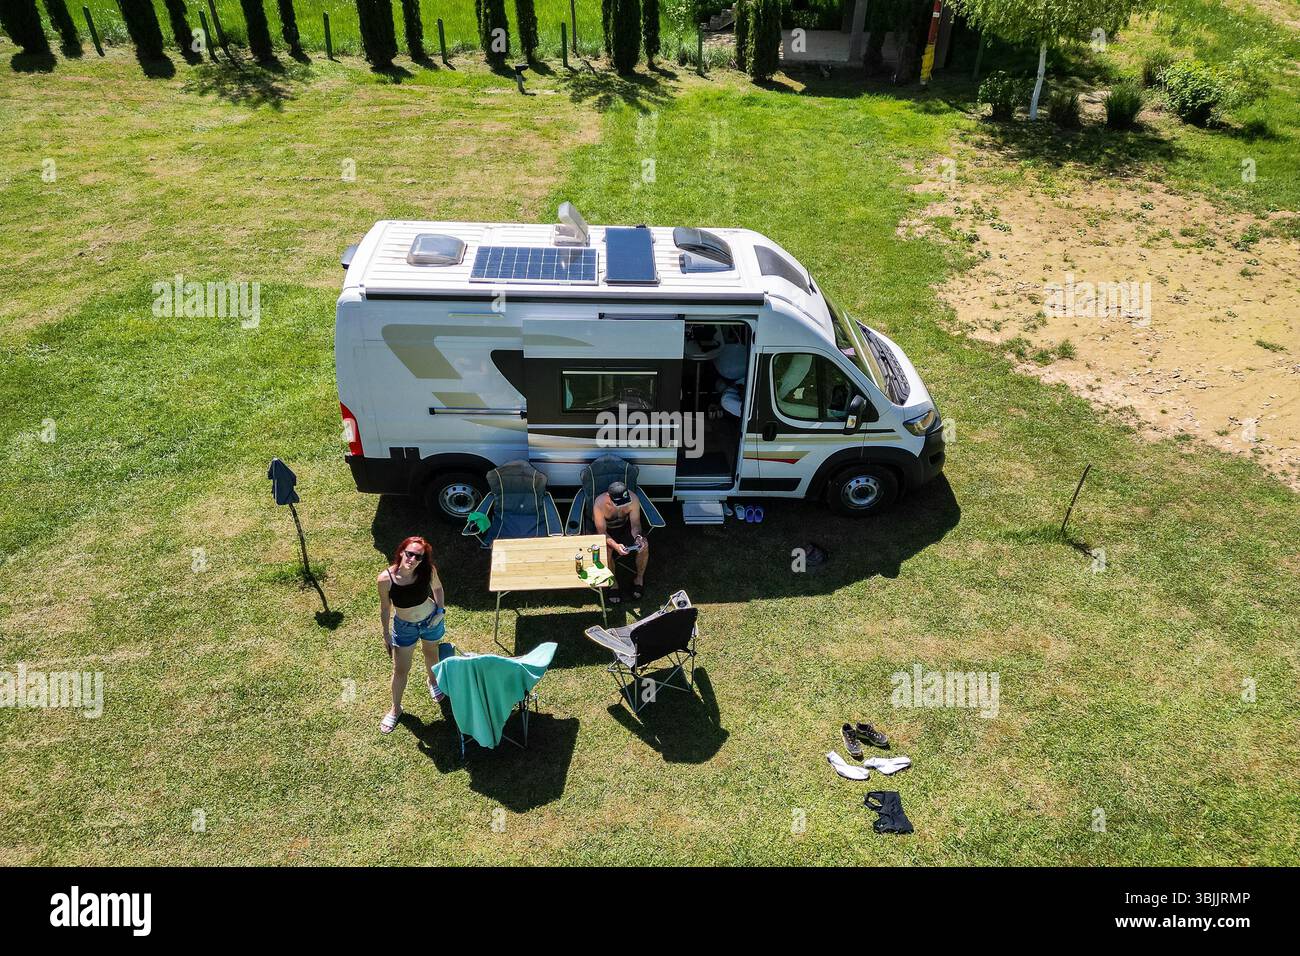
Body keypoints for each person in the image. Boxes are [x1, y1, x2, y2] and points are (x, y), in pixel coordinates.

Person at [377, 535, 447, 734]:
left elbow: (438, 588)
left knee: (431, 655)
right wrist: (385, 634)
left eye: (419, 557)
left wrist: (440, 612)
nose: (413, 560)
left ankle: (432, 681)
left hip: (430, 621)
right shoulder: (386, 579)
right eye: (410, 554)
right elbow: (385, 608)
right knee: (400, 670)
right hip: (405, 627)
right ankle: (396, 708)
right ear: (401, 552)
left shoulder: (427, 571)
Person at [592, 481, 648, 603]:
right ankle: (613, 582)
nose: (622, 506)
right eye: (618, 504)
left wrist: (638, 537)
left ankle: (639, 579)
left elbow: (635, 524)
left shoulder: (633, 498)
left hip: (625, 528)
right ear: (608, 496)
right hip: (607, 531)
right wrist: (615, 545)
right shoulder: (599, 504)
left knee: (644, 546)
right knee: (606, 550)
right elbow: (602, 532)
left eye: (624, 503)